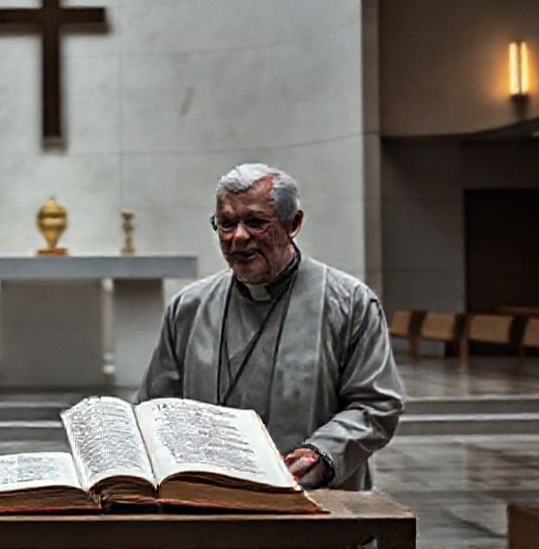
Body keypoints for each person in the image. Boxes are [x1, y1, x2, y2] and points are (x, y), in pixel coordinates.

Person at [137, 163, 404, 491]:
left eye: (255, 222)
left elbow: (376, 404)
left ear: (293, 223)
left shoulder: (349, 303)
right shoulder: (189, 307)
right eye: (226, 223)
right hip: (208, 501)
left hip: (313, 502)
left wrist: (320, 455)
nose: (238, 237)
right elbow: (155, 406)